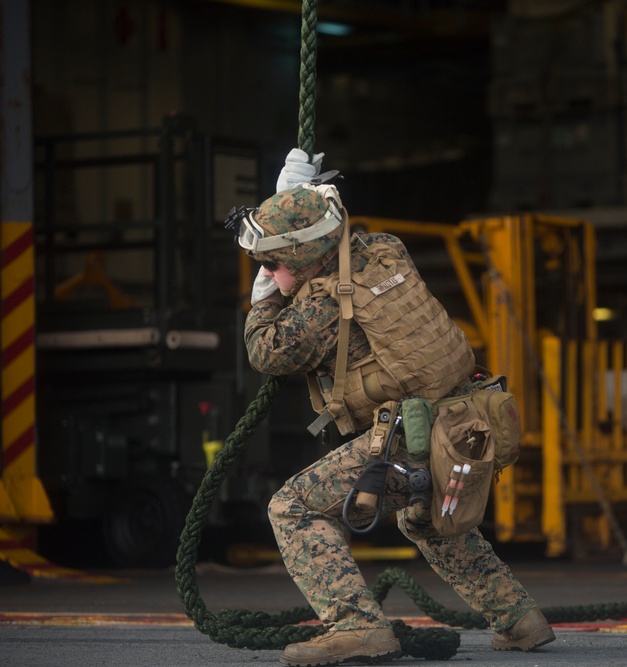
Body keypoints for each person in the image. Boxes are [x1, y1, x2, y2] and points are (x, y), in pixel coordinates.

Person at [231, 149, 555, 666]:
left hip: (410, 438)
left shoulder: (320, 308)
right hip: (464, 425)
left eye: (273, 262)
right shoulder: (386, 250)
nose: (269, 270)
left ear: (305, 257)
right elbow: (329, 231)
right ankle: (519, 620)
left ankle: (358, 628)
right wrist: (302, 200)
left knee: (290, 507)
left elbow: (265, 350)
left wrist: (266, 292)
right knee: (423, 517)